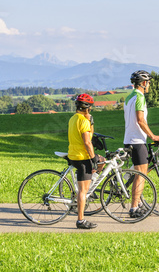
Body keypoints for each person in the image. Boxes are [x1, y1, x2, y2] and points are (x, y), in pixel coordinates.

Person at [123, 70, 159, 217]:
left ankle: (139, 203)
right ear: (144, 83)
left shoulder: (129, 97)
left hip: (128, 140)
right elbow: (140, 120)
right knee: (141, 175)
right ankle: (134, 208)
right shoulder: (140, 97)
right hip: (137, 141)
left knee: (136, 174)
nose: (150, 86)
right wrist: (153, 136)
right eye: (149, 83)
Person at [67, 93, 104, 229]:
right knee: (82, 191)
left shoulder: (73, 119)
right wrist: (93, 157)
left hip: (73, 155)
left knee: (102, 161)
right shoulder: (83, 121)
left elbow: (90, 133)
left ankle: (91, 185)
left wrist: (91, 121)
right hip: (82, 158)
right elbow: (87, 142)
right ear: (87, 107)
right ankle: (80, 220)